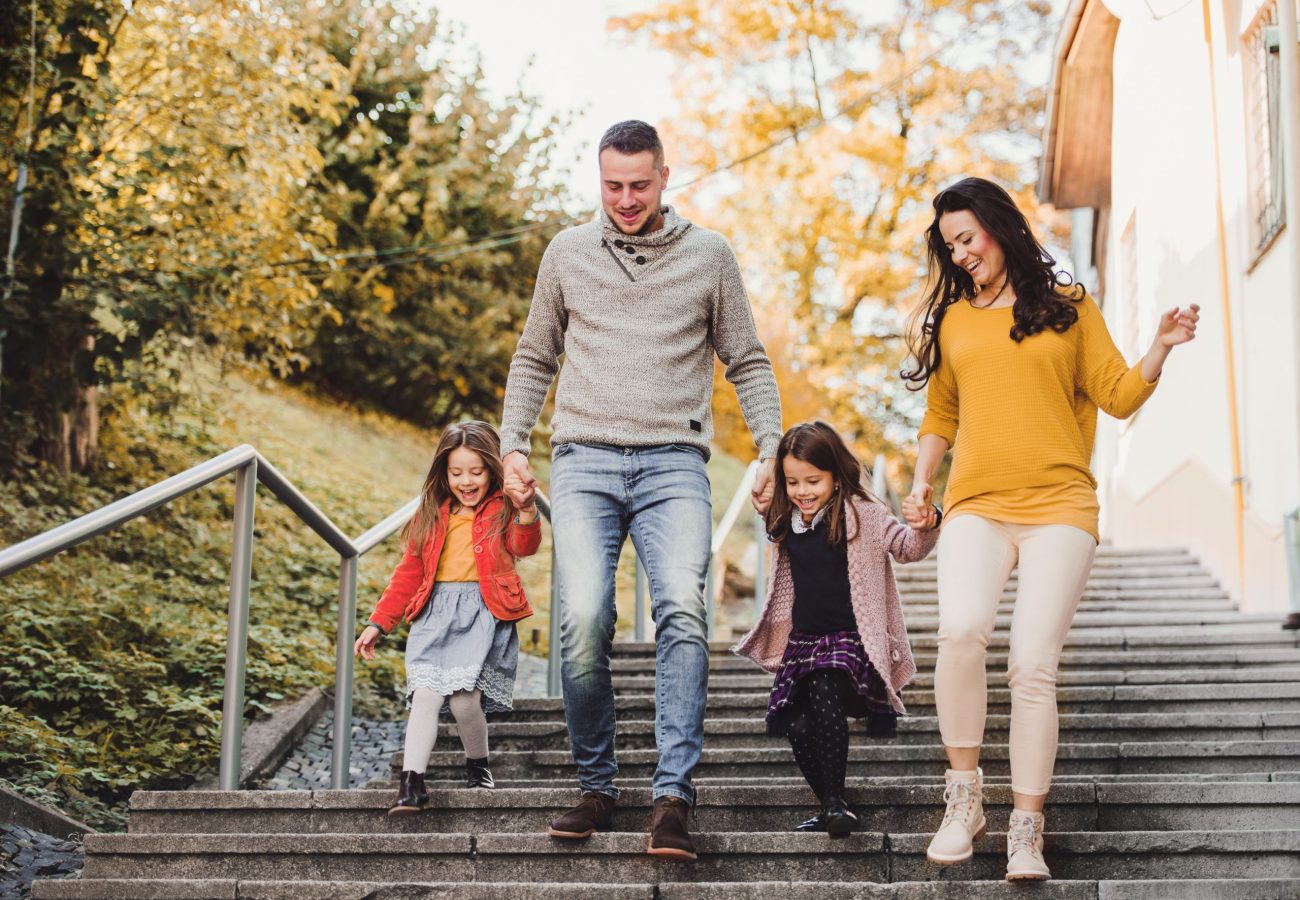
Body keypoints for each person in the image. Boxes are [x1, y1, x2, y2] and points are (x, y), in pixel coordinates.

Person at [498, 120, 782, 859]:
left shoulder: (708, 255)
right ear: (600, 179)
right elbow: (534, 356)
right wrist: (511, 445)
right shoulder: (567, 252)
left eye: (639, 184)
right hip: (585, 458)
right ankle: (596, 784)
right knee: (583, 620)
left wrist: (772, 450)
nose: (625, 199)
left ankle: (672, 798)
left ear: (664, 177)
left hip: (674, 462)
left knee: (683, 611)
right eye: (612, 185)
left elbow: (746, 359)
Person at [902, 177, 1199, 881]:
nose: (962, 253)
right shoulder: (953, 321)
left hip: (1060, 505)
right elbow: (941, 414)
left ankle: (1026, 830)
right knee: (960, 631)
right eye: (950, 245)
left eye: (968, 237)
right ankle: (965, 797)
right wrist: (920, 483)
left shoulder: (1068, 308)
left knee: (1032, 664)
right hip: (975, 500)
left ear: (1001, 228)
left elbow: (1120, 395)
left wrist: (1159, 346)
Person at [734, 421, 938, 836]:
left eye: (813, 480)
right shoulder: (785, 518)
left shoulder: (864, 513)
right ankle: (832, 803)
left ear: (834, 475)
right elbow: (768, 499)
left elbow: (908, 548)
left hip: (851, 643)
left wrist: (928, 522)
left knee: (825, 682)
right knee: (795, 721)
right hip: (803, 643)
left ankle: (831, 802)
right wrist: (768, 485)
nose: (802, 491)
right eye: (792, 482)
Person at [354, 421, 541, 814]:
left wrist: (526, 511)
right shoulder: (431, 514)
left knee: (463, 702)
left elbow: (525, 545)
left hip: (481, 613)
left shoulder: (502, 508)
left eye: (476, 472)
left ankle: (478, 765)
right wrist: (378, 623)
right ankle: (411, 783)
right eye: (456, 473)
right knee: (424, 694)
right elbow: (407, 574)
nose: (466, 481)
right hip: (433, 614)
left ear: (492, 470)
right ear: (443, 472)